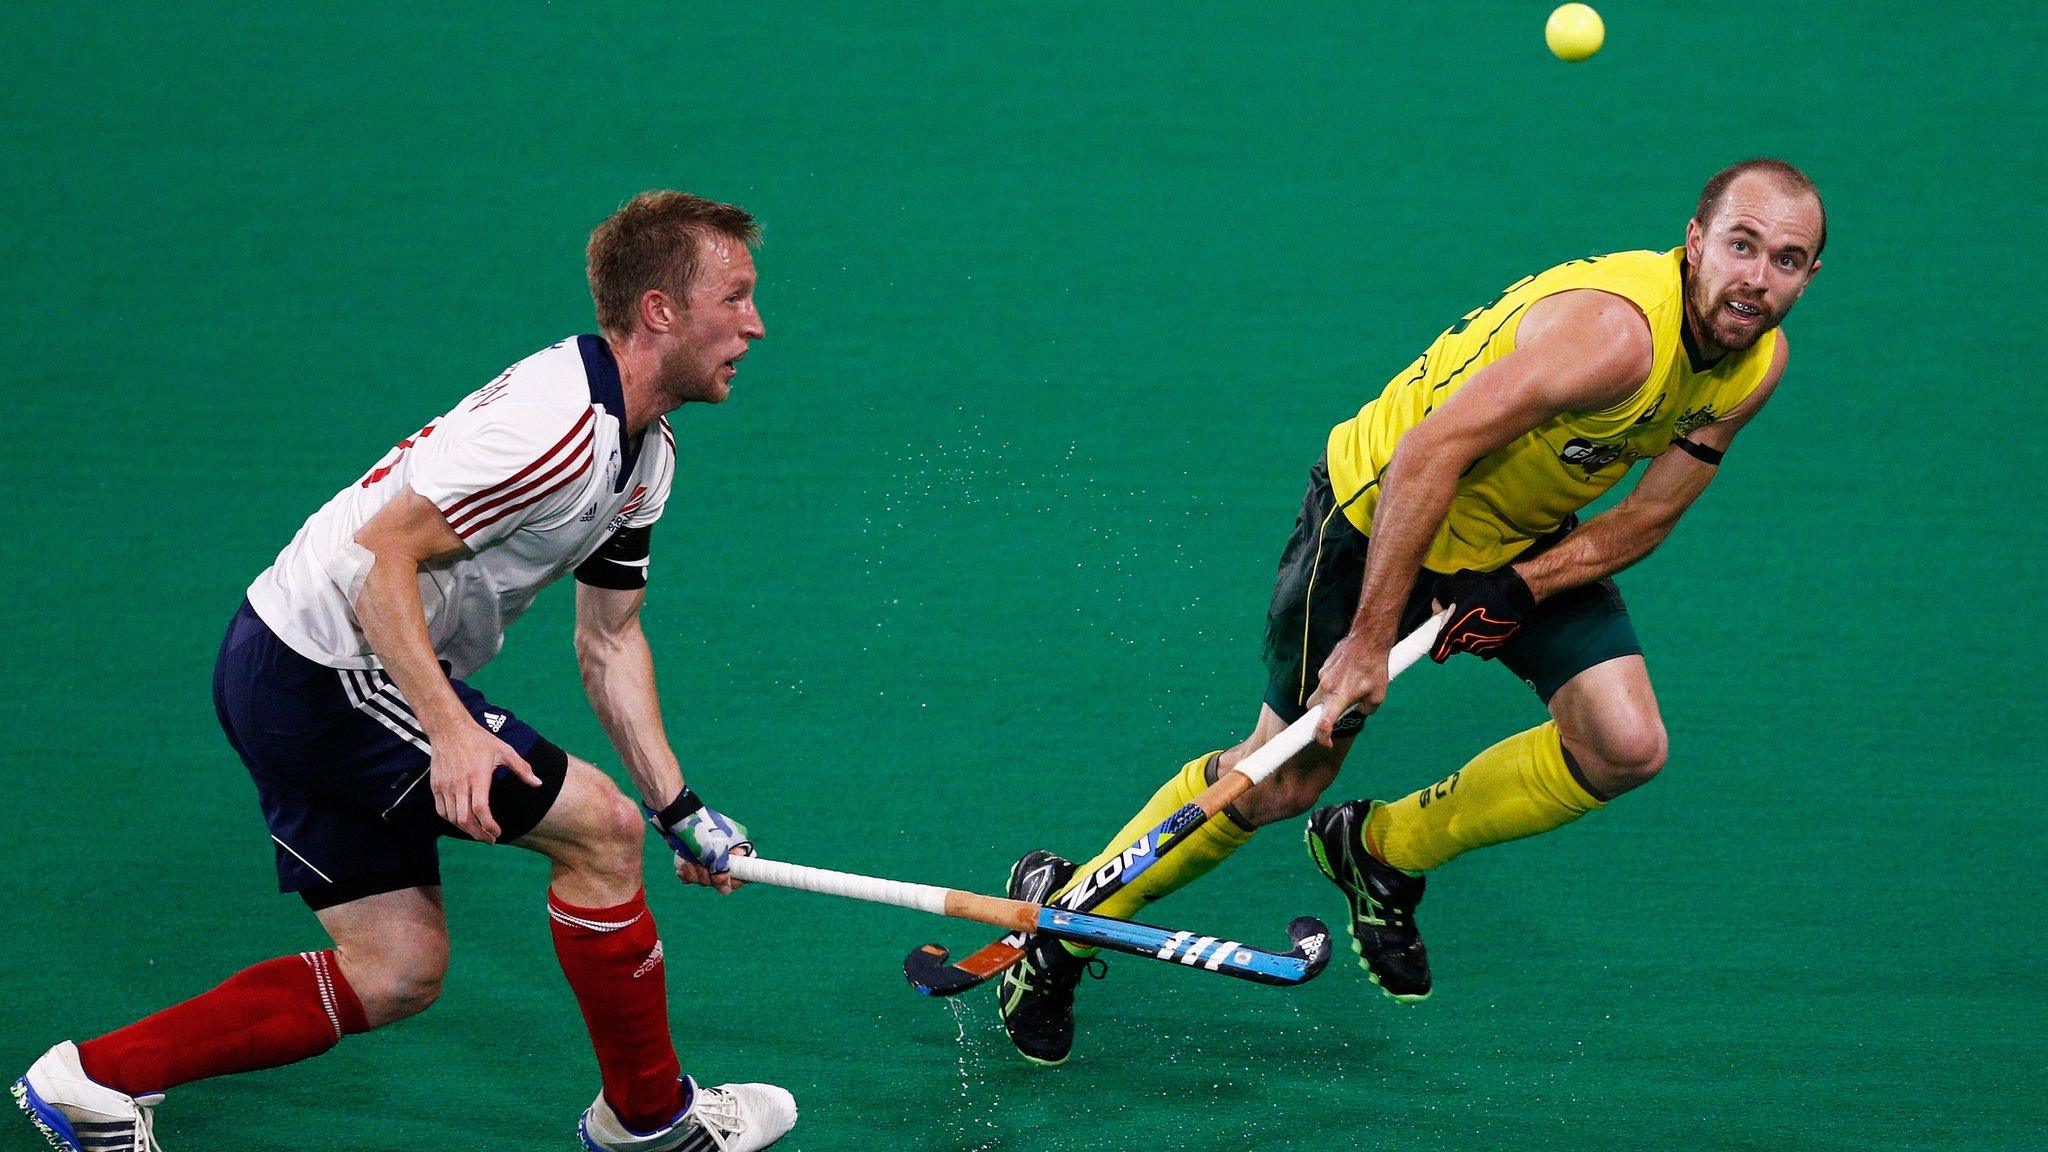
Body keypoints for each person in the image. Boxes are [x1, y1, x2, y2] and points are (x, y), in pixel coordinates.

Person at [11, 191, 798, 1152]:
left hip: (292, 664)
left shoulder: (645, 455)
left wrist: (681, 806)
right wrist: (449, 729)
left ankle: (91, 1081)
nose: (755, 325)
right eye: (737, 298)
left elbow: (610, 641)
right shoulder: (555, 429)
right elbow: (380, 560)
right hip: (326, 665)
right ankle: (650, 1121)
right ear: (661, 311)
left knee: (396, 969)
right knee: (596, 830)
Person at [996, 159, 1826, 1065]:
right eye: (1740, 247)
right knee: (1281, 779)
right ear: (1696, 242)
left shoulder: (1755, 364)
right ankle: (1061, 926)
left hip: (1512, 528)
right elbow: (1429, 454)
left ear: (1808, 276)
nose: (1757, 279)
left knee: (1624, 746)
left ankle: (1380, 849)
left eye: (1786, 260)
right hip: (1378, 517)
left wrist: (1520, 587)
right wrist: (1363, 641)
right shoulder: (1616, 339)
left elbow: (1649, 515)